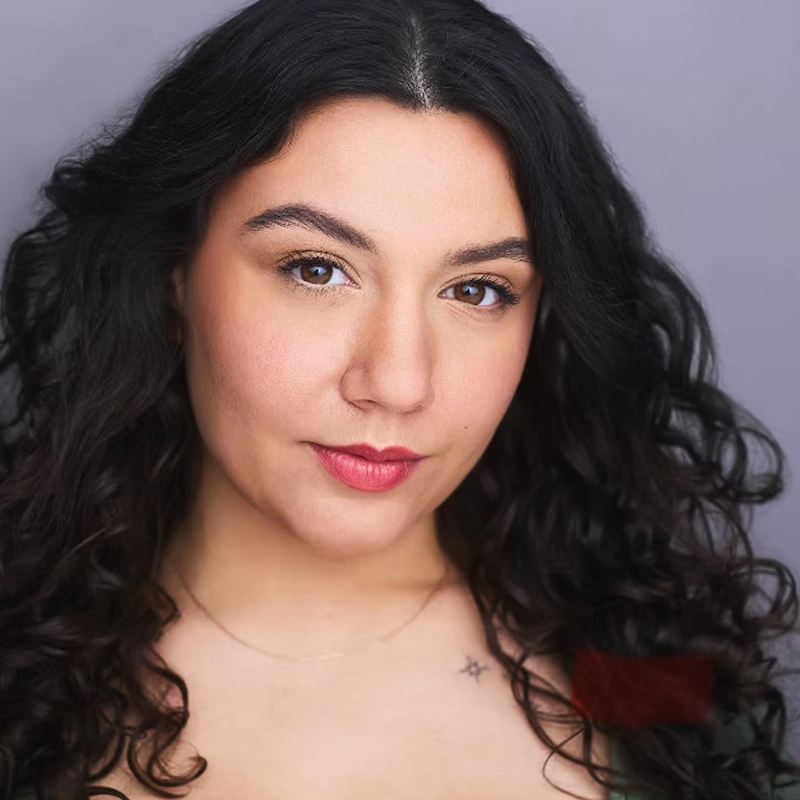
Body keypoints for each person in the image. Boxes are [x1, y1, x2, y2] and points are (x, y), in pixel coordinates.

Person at [1, 0, 799, 798]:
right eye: (317, 270)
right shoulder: (21, 687)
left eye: (478, 289)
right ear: (172, 278)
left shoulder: (633, 672)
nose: (398, 381)